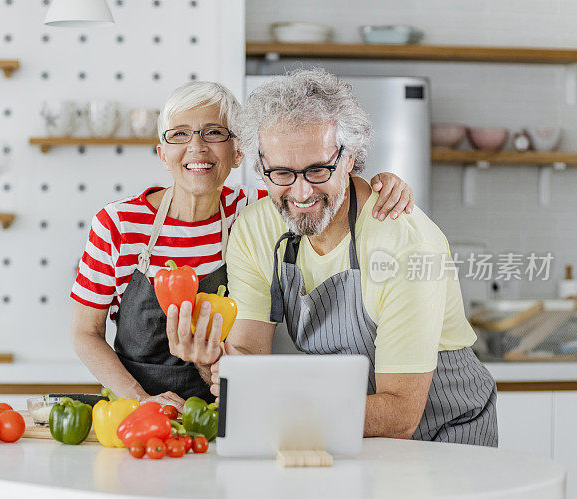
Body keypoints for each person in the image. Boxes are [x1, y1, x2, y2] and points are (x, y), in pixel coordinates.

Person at [167, 70, 498, 446]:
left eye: (318, 169)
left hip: (443, 433)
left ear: (350, 157)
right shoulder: (255, 229)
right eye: (281, 173)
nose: (302, 192)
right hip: (337, 429)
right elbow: (247, 356)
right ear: (260, 167)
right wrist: (210, 360)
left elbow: (400, 415)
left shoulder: (404, 244)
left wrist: (278, 404)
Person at [71, 80, 415, 410]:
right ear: (163, 154)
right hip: (137, 412)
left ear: (238, 153)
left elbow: (315, 186)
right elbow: (86, 333)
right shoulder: (118, 224)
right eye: (179, 134)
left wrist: (380, 184)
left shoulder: (255, 211)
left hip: (230, 409)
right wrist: (138, 398)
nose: (197, 147)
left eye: (214, 132)